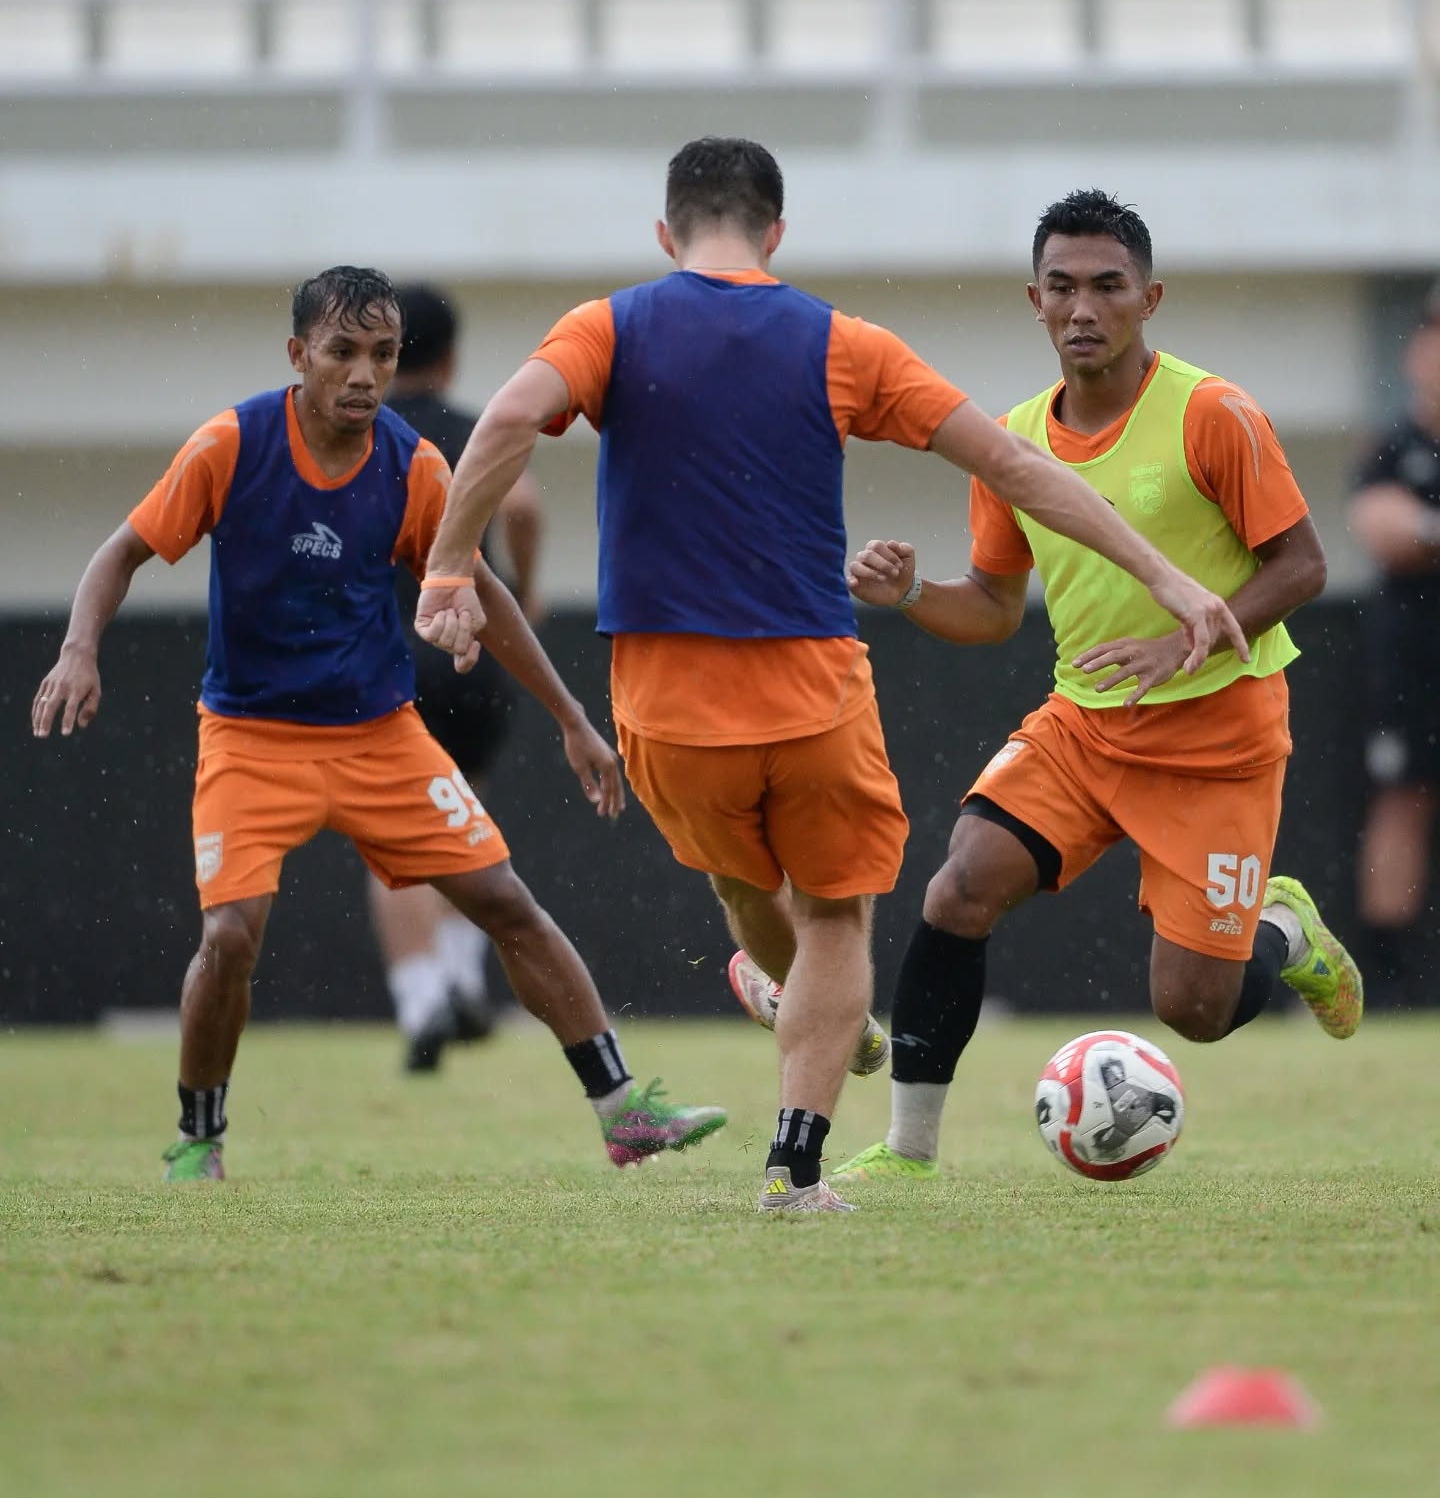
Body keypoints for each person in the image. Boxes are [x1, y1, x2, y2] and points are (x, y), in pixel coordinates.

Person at [410, 141, 1248, 1215]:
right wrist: (1167, 576)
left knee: (742, 889)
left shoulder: (608, 326)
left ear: (667, 234)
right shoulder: (839, 342)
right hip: (807, 680)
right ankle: (795, 1170)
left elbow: (511, 420)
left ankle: (807, 1005)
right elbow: (1015, 466)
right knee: (838, 920)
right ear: (777, 232)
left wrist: (447, 566)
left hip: (663, 692)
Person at [30, 265, 725, 1181]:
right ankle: (199, 1137)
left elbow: (488, 592)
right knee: (230, 935)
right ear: (298, 355)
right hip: (251, 736)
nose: (365, 374)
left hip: (379, 735)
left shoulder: (414, 465)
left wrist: (571, 718)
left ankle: (623, 1110)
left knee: (508, 903)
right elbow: (120, 552)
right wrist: (80, 647)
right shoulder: (231, 445)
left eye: (384, 355)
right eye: (344, 352)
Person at [829, 189, 1362, 1187]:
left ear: (1148, 297)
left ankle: (1284, 930)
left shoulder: (1214, 414)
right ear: (1034, 299)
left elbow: (1302, 565)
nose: (1084, 306)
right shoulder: (1011, 440)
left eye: (1107, 285)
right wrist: (911, 593)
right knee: (959, 885)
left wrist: (1192, 642)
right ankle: (909, 1151)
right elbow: (991, 607)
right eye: (1063, 286)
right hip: (1085, 725)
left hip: (1220, 738)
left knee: (1195, 1011)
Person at [374, 282, 547, 1071]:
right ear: (450, 357)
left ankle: (420, 1001)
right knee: (457, 813)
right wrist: (528, 589)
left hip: (385, 654)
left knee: (390, 838)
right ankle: (459, 977)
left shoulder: (365, 435)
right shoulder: (472, 429)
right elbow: (526, 507)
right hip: (469, 649)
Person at [1349, 295, 1440, 1005]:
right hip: (1412, 661)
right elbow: (1386, 531)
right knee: (1402, 800)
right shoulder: (1391, 446)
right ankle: (1389, 979)